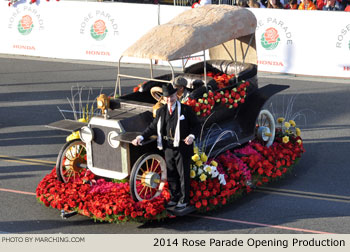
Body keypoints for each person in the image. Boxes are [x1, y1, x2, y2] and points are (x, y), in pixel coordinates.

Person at [132, 83, 201, 210]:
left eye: (172, 96)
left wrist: (191, 136)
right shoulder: (160, 111)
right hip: (168, 147)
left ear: (176, 95)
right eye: (167, 97)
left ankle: (184, 200)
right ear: (164, 98)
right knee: (171, 174)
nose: (170, 99)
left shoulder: (186, 110)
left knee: (183, 174)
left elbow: (197, 125)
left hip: (182, 147)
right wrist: (141, 137)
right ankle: (174, 197)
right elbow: (152, 127)